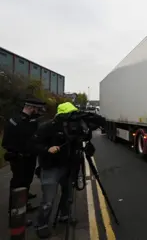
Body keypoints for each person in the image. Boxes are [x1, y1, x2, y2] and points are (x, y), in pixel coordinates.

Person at [32, 102, 80, 238]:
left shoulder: (71, 128)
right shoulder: (47, 127)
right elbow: (33, 144)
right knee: (48, 200)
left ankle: (64, 216)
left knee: (67, 194)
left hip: (66, 167)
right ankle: (41, 224)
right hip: (50, 168)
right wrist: (47, 149)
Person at [1, 97, 46, 223]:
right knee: (18, 185)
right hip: (20, 159)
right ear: (30, 108)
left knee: (26, 182)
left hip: (29, 158)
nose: (38, 112)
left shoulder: (28, 121)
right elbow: (8, 142)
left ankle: (23, 204)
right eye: (37, 109)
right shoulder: (17, 122)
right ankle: (15, 215)